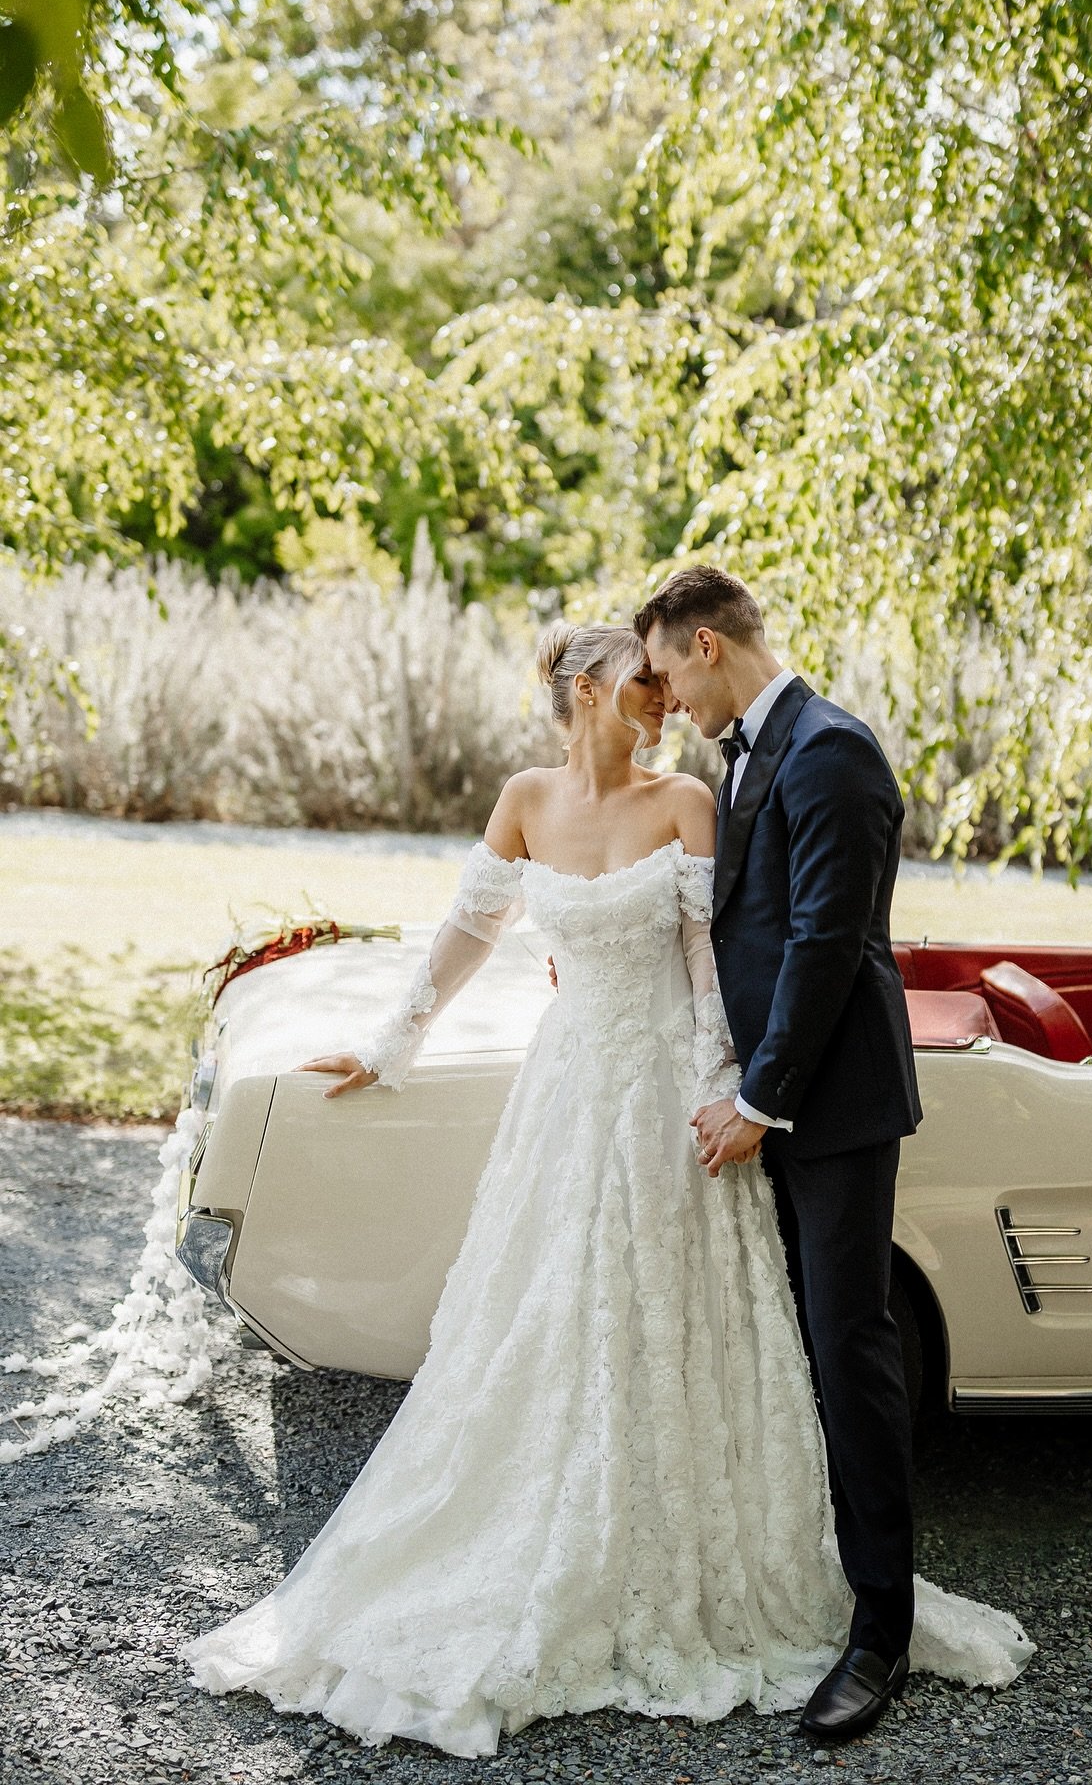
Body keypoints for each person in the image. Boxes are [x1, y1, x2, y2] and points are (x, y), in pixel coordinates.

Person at [178, 619, 1034, 1760]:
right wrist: (389, 1046)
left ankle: (727, 1570)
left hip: (671, 1102)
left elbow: (711, 963)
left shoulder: (686, 804)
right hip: (567, 1095)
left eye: (665, 680)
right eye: (641, 684)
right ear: (585, 690)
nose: (661, 702)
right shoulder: (524, 798)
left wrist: (730, 1094)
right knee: (546, 1323)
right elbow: (468, 927)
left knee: (683, 1330)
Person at [635, 565, 926, 1739]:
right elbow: (743, 925)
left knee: (853, 1347)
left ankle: (883, 1633)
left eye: (663, 672)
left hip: (834, 1109)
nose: (662, 697)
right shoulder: (750, 750)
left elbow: (823, 943)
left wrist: (759, 1099)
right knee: (796, 1341)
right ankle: (813, 1572)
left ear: (707, 645)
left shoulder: (831, 750)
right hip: (775, 1099)